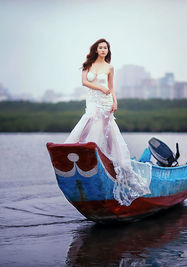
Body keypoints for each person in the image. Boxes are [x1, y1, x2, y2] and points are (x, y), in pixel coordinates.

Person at [65, 38, 150, 206]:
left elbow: (111, 87)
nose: (103, 50)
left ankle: (106, 156)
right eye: (100, 47)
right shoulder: (87, 65)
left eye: (105, 48)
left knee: (106, 128)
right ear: (96, 50)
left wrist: (115, 101)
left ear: (107, 50)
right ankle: (80, 146)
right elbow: (85, 82)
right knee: (89, 117)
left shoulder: (110, 67)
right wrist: (100, 88)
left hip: (106, 101)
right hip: (93, 100)